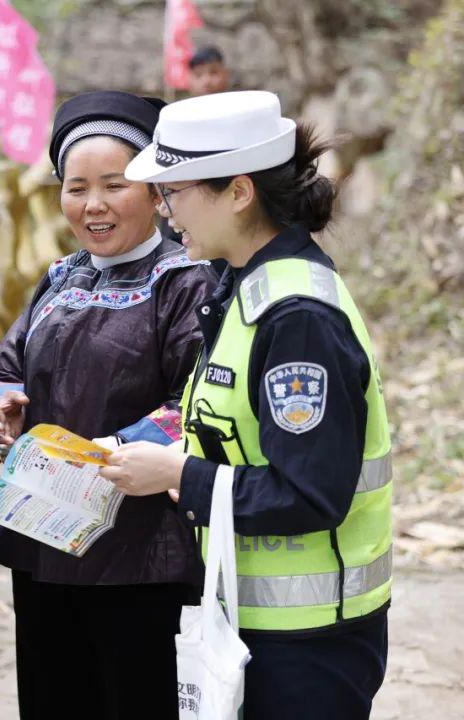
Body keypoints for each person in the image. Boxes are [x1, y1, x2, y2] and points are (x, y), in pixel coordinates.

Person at [111, 90, 392, 719]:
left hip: (308, 644)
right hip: (253, 624)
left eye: (173, 192)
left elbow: (310, 493)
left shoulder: (296, 318)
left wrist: (180, 475)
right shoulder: (242, 285)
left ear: (239, 192)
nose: (164, 212)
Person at [0, 91, 217, 720]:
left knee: (135, 697)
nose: (93, 204)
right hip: (44, 532)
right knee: (54, 696)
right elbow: (6, 363)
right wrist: (5, 401)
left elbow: (196, 400)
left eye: (115, 185)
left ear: (156, 193)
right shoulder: (60, 277)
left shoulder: (185, 279)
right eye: (76, 188)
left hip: (141, 550)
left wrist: (105, 453)